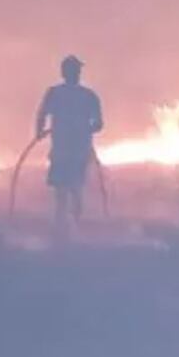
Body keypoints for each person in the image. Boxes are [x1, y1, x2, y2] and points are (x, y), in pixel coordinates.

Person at [35, 55, 104, 236]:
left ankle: (64, 226)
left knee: (63, 190)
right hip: (78, 150)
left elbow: (41, 115)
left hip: (63, 150)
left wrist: (39, 132)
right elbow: (98, 124)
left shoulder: (55, 93)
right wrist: (85, 129)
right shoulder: (88, 96)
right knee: (75, 187)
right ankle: (73, 225)